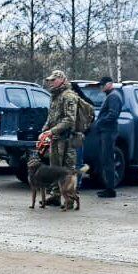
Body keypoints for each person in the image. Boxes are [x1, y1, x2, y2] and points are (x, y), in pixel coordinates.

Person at [39, 69, 83, 201]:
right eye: (49, 80)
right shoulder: (54, 96)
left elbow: (70, 120)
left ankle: (70, 198)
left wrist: (52, 131)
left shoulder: (69, 96)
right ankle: (55, 196)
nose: (50, 83)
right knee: (55, 168)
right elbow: (51, 116)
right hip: (56, 138)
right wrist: (44, 130)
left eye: (53, 80)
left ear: (62, 80)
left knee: (68, 170)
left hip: (68, 139)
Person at [93, 76, 124, 198]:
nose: (101, 87)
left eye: (103, 85)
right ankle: (108, 187)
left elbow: (113, 114)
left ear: (110, 84)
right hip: (106, 131)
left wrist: (100, 122)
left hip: (109, 132)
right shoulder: (111, 96)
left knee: (108, 160)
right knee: (105, 159)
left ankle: (110, 189)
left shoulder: (113, 96)